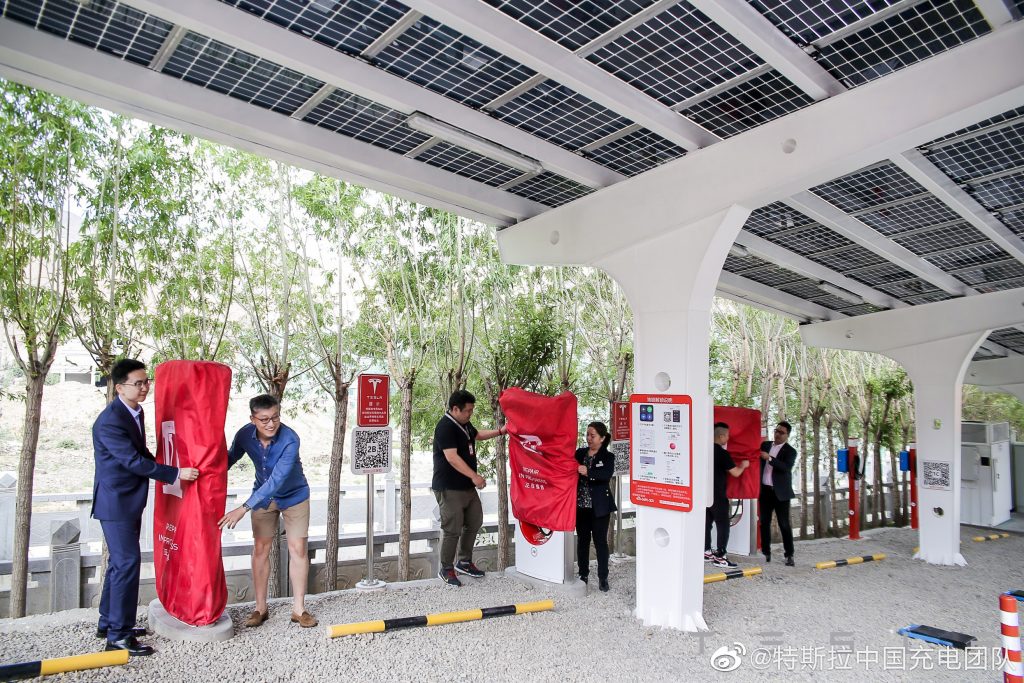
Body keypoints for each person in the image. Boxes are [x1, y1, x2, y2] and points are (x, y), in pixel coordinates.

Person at [92, 359, 200, 656]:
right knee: (127, 564)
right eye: (137, 383)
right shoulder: (111, 420)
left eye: (146, 382)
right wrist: (175, 473)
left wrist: (168, 464)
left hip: (128, 499)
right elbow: (133, 461)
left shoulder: (133, 412)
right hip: (115, 502)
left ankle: (109, 622)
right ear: (119, 387)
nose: (144, 388)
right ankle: (118, 636)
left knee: (119, 564)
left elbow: (142, 452)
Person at [218, 394, 317, 628]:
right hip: (263, 496)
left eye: (275, 418)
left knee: (298, 548)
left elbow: (277, 479)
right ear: (252, 419)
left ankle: (299, 609)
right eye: (264, 420)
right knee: (261, 548)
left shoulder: (290, 439)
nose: (271, 424)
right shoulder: (244, 434)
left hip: (294, 495)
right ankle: (260, 608)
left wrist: (243, 508)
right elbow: (229, 459)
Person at [432, 389, 505, 586]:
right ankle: (446, 568)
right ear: (455, 409)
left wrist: (500, 431)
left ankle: (464, 561)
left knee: (474, 521)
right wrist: (475, 476)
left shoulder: (463, 424)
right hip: (449, 487)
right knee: (452, 528)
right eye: (468, 411)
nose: (470, 414)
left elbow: (477, 435)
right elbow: (452, 458)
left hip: (466, 487)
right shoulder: (445, 427)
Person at [575, 421, 617, 592]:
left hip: (599, 508)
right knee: (582, 542)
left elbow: (605, 475)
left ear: (602, 438)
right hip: (581, 506)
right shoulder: (580, 453)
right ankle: (583, 574)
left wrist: (588, 472)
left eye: (593, 435)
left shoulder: (608, 457)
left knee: (600, 542)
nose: (589, 438)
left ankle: (603, 577)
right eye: (587, 435)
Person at [704, 422, 749, 568]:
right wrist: (743, 465)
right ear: (721, 436)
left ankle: (706, 551)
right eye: (728, 435)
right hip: (718, 494)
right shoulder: (722, 454)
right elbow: (735, 473)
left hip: (704, 494)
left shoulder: (703, 450)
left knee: (706, 523)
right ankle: (721, 556)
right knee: (723, 524)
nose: (728, 438)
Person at [760, 420, 797, 566]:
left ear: (787, 435)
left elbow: (786, 467)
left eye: (781, 432)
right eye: (776, 431)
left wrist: (769, 458)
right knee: (764, 522)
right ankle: (765, 552)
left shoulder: (790, 451)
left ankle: (789, 554)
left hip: (781, 493)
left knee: (784, 524)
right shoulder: (765, 445)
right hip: (765, 491)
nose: (777, 434)